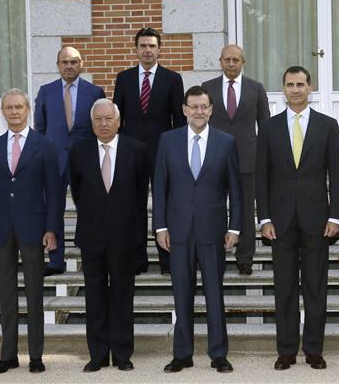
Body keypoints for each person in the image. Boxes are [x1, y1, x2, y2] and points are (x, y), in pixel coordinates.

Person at [256, 66, 339, 371]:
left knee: (315, 287)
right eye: (290, 84)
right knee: (284, 288)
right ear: (283, 89)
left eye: (300, 84)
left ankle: (314, 350)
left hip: (317, 219)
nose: (295, 89)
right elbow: (261, 177)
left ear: (310, 88)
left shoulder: (327, 125)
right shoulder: (268, 127)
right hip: (279, 221)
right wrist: (264, 218)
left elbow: (336, 175)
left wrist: (335, 216)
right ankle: (286, 351)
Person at [153, 86, 243, 373]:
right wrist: (160, 227)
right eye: (194, 107)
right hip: (177, 230)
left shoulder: (226, 142)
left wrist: (235, 228)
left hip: (213, 230)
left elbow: (236, 191)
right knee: (181, 294)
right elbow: (160, 187)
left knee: (215, 294)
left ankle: (219, 354)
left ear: (211, 109)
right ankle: (182, 354)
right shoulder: (168, 141)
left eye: (204, 106)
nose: (199, 111)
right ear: (184, 110)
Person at [0, 89, 61, 374]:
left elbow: (54, 191)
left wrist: (52, 228)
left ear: (27, 110)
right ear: (3, 111)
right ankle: (8, 355)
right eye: (9, 107)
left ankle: (36, 356)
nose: (14, 112)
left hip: (34, 229)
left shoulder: (45, 145)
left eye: (19, 107)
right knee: (6, 295)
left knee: (34, 294)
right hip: (2, 229)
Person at [69, 99, 149, 372]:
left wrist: (139, 239)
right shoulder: (79, 151)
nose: (103, 124)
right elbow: (78, 192)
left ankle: (122, 353)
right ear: (91, 124)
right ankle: (98, 354)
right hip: (91, 236)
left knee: (122, 296)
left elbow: (140, 198)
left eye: (108, 118)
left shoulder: (136, 150)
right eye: (98, 119)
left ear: (118, 121)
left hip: (124, 237)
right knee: (94, 297)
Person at [113, 27, 185, 275]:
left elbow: (179, 121)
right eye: (143, 46)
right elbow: (117, 119)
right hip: (131, 153)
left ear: (159, 49)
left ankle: (167, 261)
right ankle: (137, 260)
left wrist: (178, 154)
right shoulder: (123, 78)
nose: (147, 50)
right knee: (134, 206)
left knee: (165, 205)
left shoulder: (172, 79)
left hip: (163, 152)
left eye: (152, 46)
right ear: (136, 49)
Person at [34, 46, 106, 276]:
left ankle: (92, 255)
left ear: (81, 64)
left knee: (90, 208)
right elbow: (40, 128)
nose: (69, 66)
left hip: (85, 159)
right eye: (64, 62)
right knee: (53, 208)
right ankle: (55, 261)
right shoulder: (46, 91)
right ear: (58, 65)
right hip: (54, 159)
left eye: (74, 61)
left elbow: (100, 127)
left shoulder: (95, 92)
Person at [202, 44, 270, 275]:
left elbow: (265, 125)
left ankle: (245, 258)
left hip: (248, 159)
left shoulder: (256, 88)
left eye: (236, 60)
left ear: (243, 62)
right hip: (215, 159)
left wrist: (265, 157)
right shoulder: (208, 87)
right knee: (214, 208)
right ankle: (215, 255)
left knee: (246, 210)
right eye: (227, 59)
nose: (231, 64)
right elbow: (200, 122)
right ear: (220, 61)